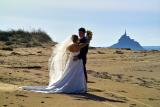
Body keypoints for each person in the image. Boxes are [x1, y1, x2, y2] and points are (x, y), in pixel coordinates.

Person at [19, 35, 91, 93]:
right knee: (78, 73)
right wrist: (89, 37)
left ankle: (72, 85)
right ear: (77, 39)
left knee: (69, 72)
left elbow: (65, 51)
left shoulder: (70, 46)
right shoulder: (79, 46)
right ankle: (79, 87)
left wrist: (71, 55)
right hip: (78, 61)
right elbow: (86, 43)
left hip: (71, 60)